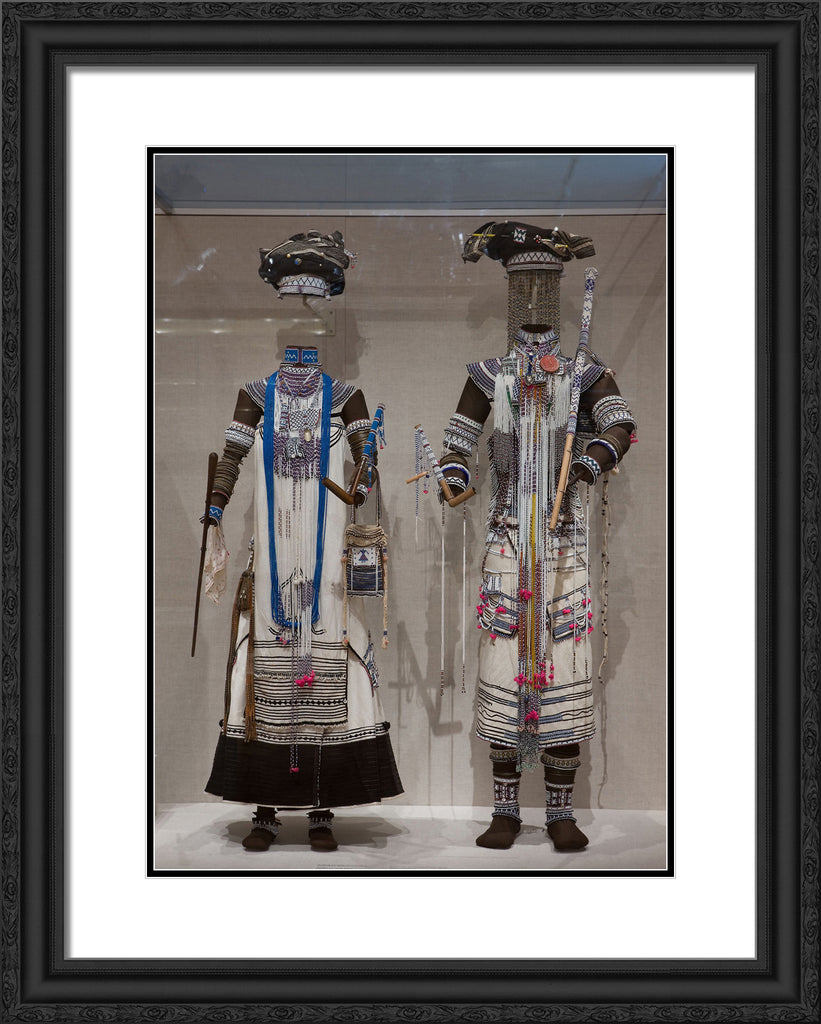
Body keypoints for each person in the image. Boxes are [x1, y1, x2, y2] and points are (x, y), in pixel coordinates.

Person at [201, 231, 403, 852]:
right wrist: (214, 508)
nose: (303, 323)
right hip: (272, 564)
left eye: (312, 309)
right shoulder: (254, 396)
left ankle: (321, 807)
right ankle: (265, 807)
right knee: (266, 667)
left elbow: (366, 473)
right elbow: (231, 459)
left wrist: (366, 470)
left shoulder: (346, 398)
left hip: (329, 567)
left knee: (330, 665)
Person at [440, 221, 636, 851]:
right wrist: (452, 473)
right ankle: (504, 809)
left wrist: (590, 460)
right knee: (504, 659)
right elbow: (457, 440)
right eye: (521, 284)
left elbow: (622, 425)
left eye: (542, 284)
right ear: (509, 291)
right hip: (507, 538)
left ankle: (560, 811)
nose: (531, 296)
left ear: (555, 291)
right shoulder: (487, 373)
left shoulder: (583, 372)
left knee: (565, 662)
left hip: (564, 541)